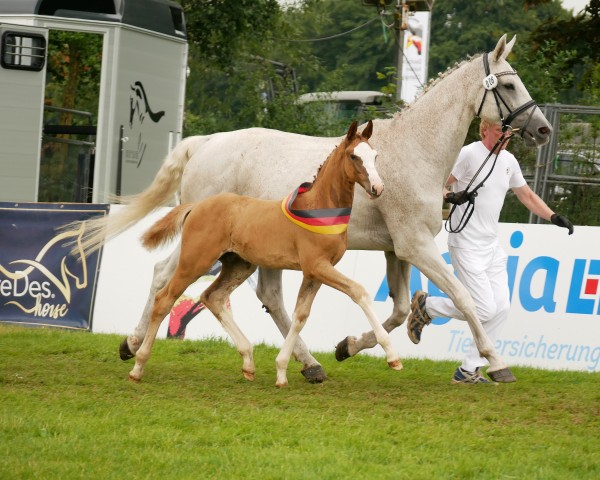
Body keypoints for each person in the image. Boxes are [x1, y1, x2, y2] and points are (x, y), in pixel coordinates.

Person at [407, 119, 574, 384]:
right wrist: (450, 196)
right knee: (484, 309)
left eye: (508, 132)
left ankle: (468, 370)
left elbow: (527, 195)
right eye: (500, 131)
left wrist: (553, 216)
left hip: (491, 246)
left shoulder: (508, 161)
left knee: (502, 308)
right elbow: (435, 185)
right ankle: (429, 306)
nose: (505, 136)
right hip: (465, 243)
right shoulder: (469, 154)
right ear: (485, 130)